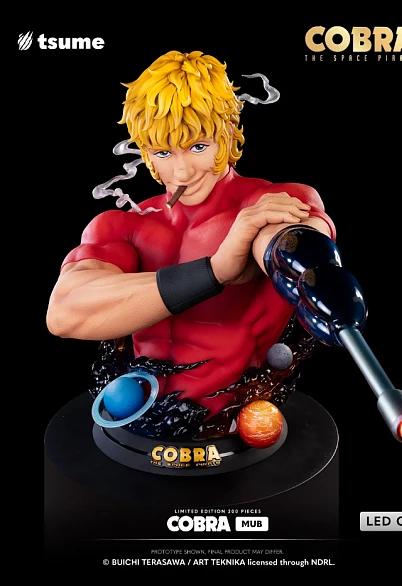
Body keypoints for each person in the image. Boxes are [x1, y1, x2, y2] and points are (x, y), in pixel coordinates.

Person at [46, 50, 336, 440]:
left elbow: (297, 244)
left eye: (198, 146)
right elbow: (64, 314)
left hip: (228, 423)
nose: (182, 172)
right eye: (163, 152)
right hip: (138, 420)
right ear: (145, 152)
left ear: (227, 134)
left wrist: (299, 261)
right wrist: (215, 271)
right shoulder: (124, 226)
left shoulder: (268, 206)